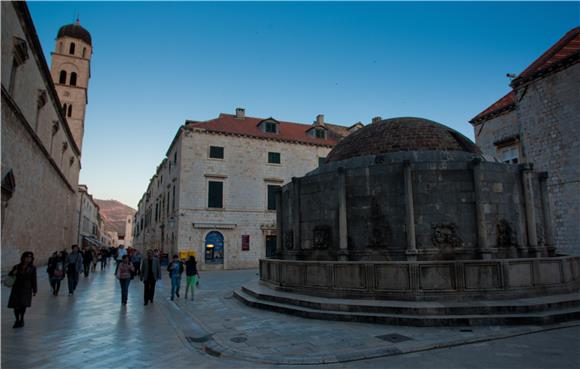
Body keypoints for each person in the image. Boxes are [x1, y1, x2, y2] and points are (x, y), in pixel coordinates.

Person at [7, 252, 37, 328]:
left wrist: (34, 290)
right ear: (23, 258)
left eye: (30, 258)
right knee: (16, 306)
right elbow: (10, 275)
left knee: (23, 305)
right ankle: (17, 320)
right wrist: (13, 272)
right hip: (16, 288)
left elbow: (34, 279)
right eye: (27, 257)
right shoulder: (17, 266)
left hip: (26, 289)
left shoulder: (33, 268)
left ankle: (22, 319)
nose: (28, 259)